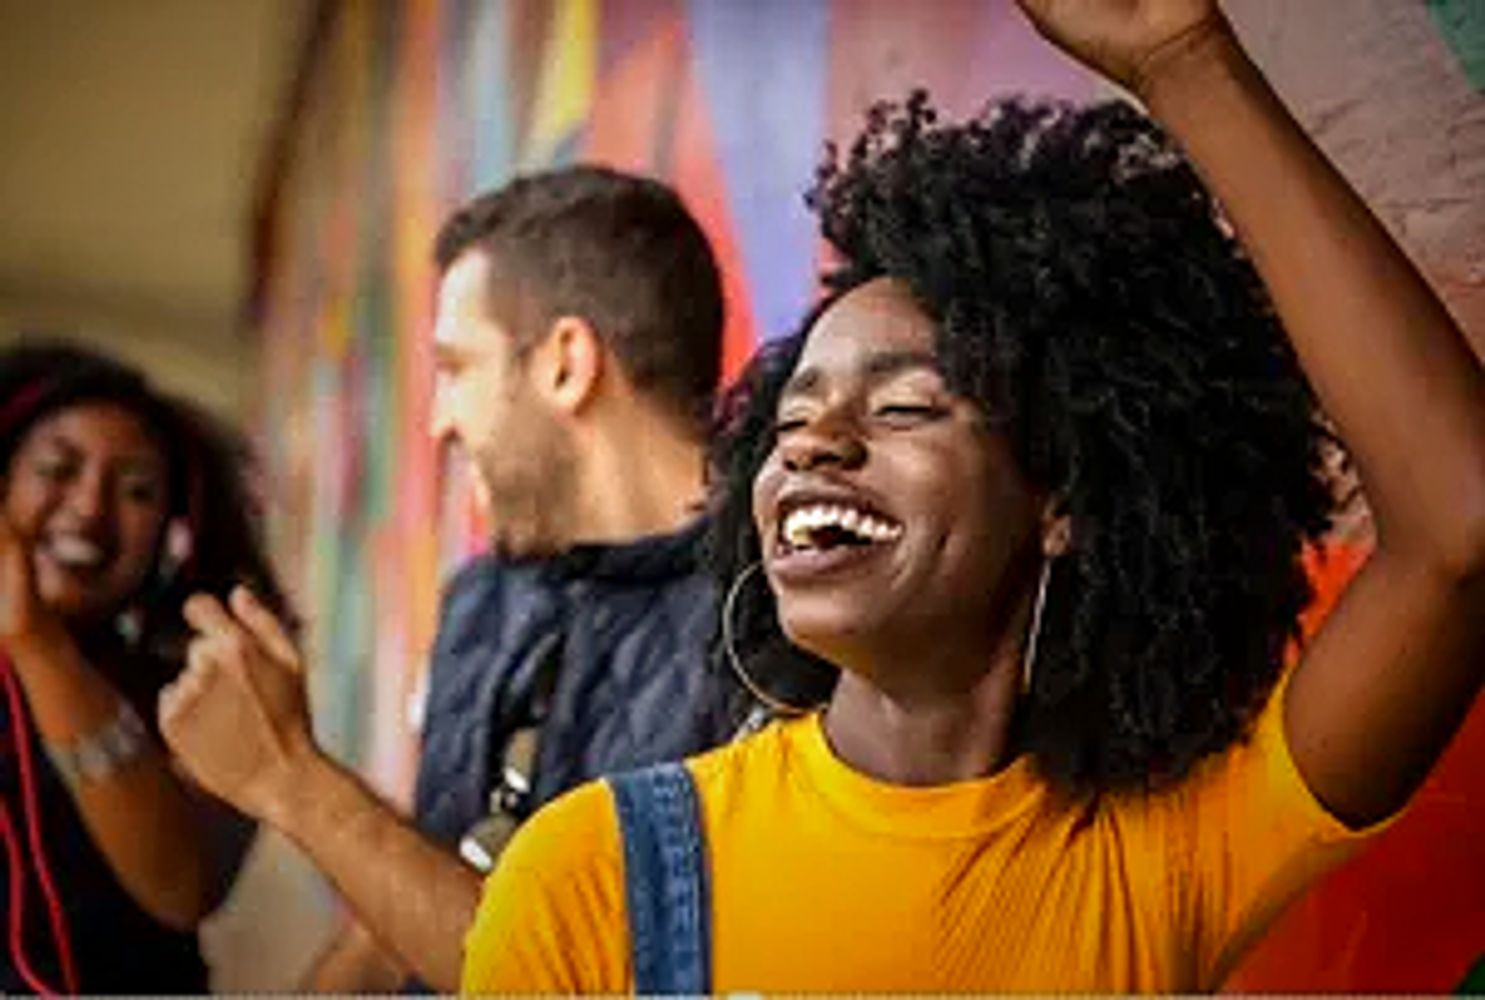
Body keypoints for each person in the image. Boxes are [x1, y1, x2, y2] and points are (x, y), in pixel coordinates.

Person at [456, 0, 1485, 992]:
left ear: (1062, 499)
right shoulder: (588, 881)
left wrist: (1187, 62)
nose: (814, 444)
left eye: (904, 407)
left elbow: (1458, 530)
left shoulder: (1165, 850)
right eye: (791, 419)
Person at [158, 166, 744, 991]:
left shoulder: (771, 630)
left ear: (566, 363)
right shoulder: (482, 600)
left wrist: (287, 775)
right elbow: (409, 909)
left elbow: (576, 979)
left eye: (456, 367)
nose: (437, 422)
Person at [0, 340, 288, 992]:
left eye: (136, 490)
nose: (89, 508)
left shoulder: (207, 682)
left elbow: (183, 886)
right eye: (57, 469)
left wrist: (36, 643)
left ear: (170, 533)